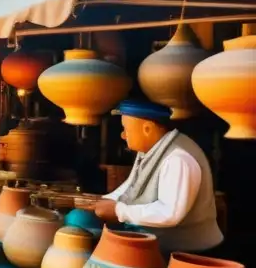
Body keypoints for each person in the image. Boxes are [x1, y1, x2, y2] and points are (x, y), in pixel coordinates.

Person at [94, 99, 222, 253]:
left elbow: (169, 213)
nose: (123, 135)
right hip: (161, 244)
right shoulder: (149, 149)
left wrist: (119, 211)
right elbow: (131, 185)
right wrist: (106, 200)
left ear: (147, 128)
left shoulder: (177, 159)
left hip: (187, 251)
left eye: (126, 129)